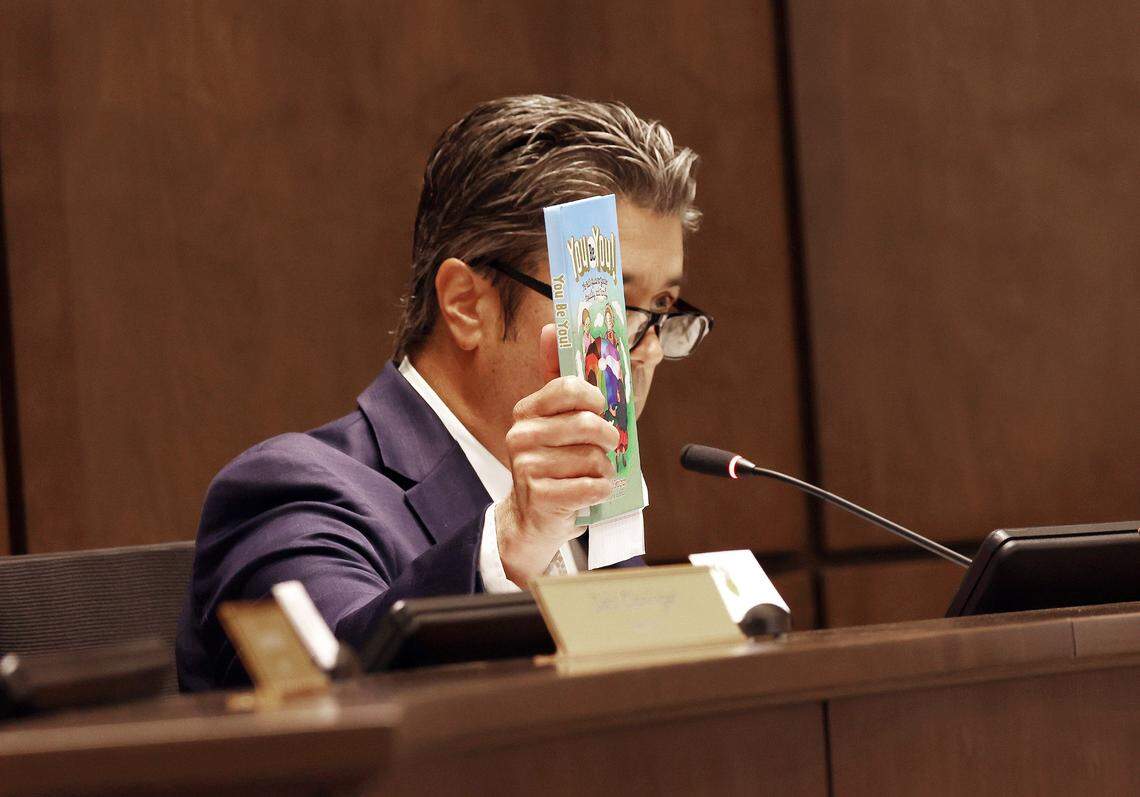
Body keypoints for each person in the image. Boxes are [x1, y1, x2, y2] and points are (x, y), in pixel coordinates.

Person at [176, 95, 713, 691]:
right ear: (465, 304)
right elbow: (333, 690)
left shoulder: (596, 514)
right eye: (609, 301)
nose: (649, 347)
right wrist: (508, 544)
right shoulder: (289, 491)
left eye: (661, 307)